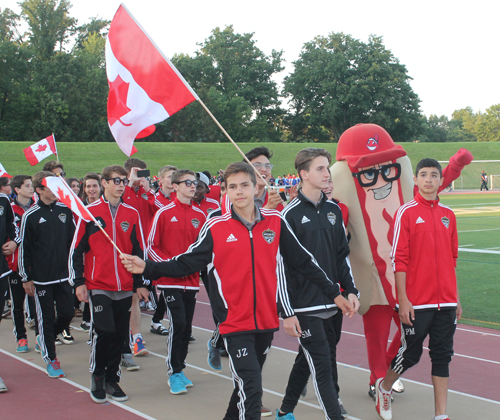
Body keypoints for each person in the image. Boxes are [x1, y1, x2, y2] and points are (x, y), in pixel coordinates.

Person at [122, 162, 354, 420]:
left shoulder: (275, 222)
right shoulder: (215, 227)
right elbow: (185, 263)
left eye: (245, 185)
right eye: (232, 187)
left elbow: (305, 262)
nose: (239, 191)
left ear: (256, 188)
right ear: (226, 192)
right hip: (234, 323)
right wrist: (147, 267)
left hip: (266, 322)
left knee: (244, 388)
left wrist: (335, 294)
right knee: (252, 390)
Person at [375, 159, 461, 420]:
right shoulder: (406, 212)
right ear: (415, 180)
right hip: (417, 302)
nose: (428, 179)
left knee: (442, 356)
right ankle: (385, 386)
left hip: (445, 302)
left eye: (434, 175)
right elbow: (398, 259)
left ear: (440, 181)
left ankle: (441, 415)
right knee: (410, 354)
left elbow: (452, 259)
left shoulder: (449, 215)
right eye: (423, 175)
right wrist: (403, 300)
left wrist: (455, 299)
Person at [277, 149, 360, 420]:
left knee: (309, 358)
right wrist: (287, 312)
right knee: (323, 365)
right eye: (321, 169)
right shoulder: (287, 216)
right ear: (303, 174)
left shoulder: (334, 211)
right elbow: (282, 269)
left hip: (334, 302)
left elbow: (341, 256)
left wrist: (350, 290)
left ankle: (285, 410)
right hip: (304, 306)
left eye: (327, 168)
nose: (327, 174)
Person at [147, 169, 206, 395]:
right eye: (188, 182)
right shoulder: (163, 213)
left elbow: (204, 248)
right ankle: (174, 372)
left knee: (186, 326)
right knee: (178, 322)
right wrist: (170, 266)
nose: (193, 186)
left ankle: (180, 369)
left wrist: (195, 266)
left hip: (191, 281)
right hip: (170, 280)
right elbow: (152, 246)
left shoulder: (200, 215)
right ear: (175, 186)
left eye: (195, 182)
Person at [18, 171, 75, 378]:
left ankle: (44, 337)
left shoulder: (65, 211)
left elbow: (73, 242)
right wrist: (26, 277)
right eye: (50, 186)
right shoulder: (30, 215)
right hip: (41, 278)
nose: (55, 190)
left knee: (67, 314)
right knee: (46, 318)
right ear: (39, 190)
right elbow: (24, 248)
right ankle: (52, 359)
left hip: (64, 275)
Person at [7, 175, 35, 352]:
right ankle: (21, 337)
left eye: (32, 185)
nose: (31, 189)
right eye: (27, 186)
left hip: (35, 263)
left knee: (37, 303)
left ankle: (41, 336)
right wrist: (13, 243)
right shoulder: (9, 209)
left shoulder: (37, 208)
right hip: (15, 264)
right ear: (17, 189)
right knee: (18, 302)